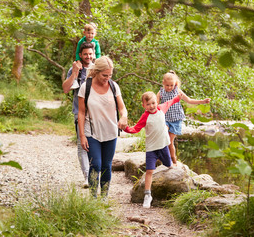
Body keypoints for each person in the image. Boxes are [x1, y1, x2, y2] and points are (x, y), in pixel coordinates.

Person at [78, 56, 128, 198]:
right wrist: (82, 135)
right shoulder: (85, 87)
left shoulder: (113, 86)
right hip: (91, 133)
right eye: (104, 75)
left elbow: (122, 108)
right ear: (96, 72)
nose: (107, 78)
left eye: (110, 75)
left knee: (106, 166)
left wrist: (124, 116)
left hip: (110, 132)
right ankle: (93, 198)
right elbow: (81, 113)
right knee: (96, 165)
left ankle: (104, 197)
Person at [124, 91, 184, 208]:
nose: (151, 106)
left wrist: (178, 98)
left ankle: (171, 163)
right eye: (148, 104)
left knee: (168, 165)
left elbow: (170, 102)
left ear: (157, 102)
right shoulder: (145, 117)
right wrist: (125, 128)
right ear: (144, 105)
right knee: (149, 171)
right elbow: (135, 129)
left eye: (153, 103)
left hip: (163, 146)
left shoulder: (161, 108)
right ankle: (147, 195)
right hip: (151, 148)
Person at [157, 71, 211, 165]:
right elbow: (156, 105)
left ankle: (173, 159)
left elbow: (189, 100)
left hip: (176, 119)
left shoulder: (177, 91)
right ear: (163, 83)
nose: (169, 87)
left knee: (170, 141)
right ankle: (163, 157)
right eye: (167, 85)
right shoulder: (160, 92)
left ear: (175, 84)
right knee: (164, 138)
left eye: (171, 85)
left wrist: (203, 101)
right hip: (165, 119)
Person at [62, 42, 96, 188]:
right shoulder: (74, 69)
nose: (88, 56)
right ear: (80, 55)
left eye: (90, 54)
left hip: (96, 113)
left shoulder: (98, 69)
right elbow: (65, 89)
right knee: (82, 145)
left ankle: (96, 173)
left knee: (96, 143)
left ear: (93, 55)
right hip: (79, 112)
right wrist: (75, 72)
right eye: (85, 54)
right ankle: (87, 177)